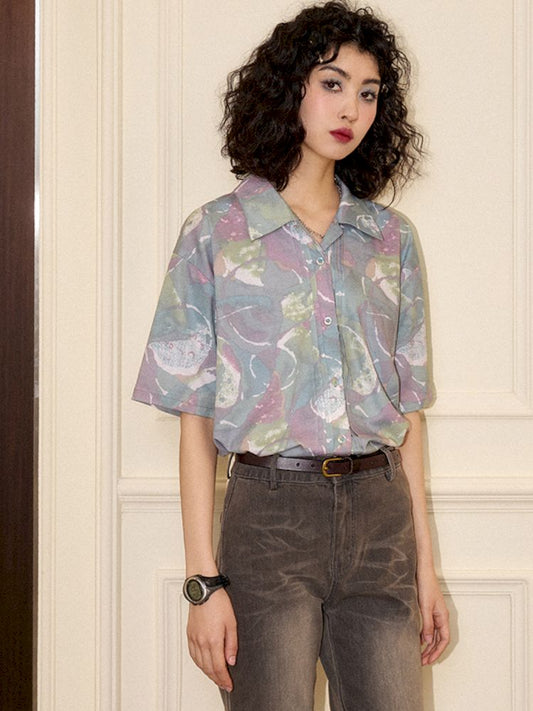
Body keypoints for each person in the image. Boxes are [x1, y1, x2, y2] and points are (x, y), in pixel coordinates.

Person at [133, 1, 450, 709]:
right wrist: (203, 582)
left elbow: (408, 414)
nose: (351, 109)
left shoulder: (389, 239)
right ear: (288, 90)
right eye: (332, 83)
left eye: (368, 93)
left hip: (381, 521)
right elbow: (194, 418)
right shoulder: (216, 232)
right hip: (268, 521)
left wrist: (425, 571)